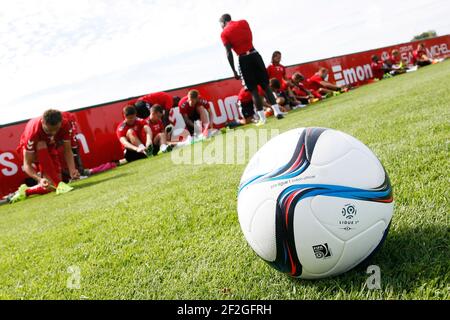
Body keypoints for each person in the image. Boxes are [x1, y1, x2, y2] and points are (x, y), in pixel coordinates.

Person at [219, 13, 285, 124]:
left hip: (243, 59)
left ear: (223, 23)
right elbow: (249, 37)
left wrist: (234, 70)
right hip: (255, 55)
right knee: (266, 85)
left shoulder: (224, 33)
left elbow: (228, 52)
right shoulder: (243, 22)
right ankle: (277, 111)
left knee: (253, 90)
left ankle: (262, 119)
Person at [9, 109, 80, 203]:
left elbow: (67, 150)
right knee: (41, 144)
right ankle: (57, 183)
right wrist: (39, 179)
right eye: (49, 130)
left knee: (50, 187)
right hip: (34, 150)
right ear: (42, 122)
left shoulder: (65, 123)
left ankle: (25, 191)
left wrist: (72, 170)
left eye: (56, 129)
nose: (54, 133)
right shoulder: (33, 133)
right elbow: (27, 164)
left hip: (51, 147)